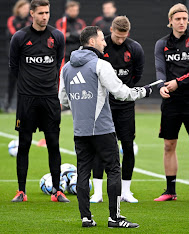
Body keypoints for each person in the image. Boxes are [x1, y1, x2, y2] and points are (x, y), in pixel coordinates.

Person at [59, 26, 151, 228]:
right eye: (102, 39)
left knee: (83, 171)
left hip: (80, 130)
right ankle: (114, 218)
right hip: (102, 128)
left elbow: (63, 99)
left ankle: (86, 218)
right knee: (113, 170)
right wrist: (145, 91)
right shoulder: (101, 65)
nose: (105, 42)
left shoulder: (66, 68)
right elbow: (121, 93)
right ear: (92, 42)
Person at [9, 0, 69, 203]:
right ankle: (21, 191)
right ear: (32, 14)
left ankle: (57, 191)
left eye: (47, 13)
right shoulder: (19, 37)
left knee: (53, 143)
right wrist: (29, 86)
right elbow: (14, 67)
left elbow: (58, 65)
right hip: (27, 100)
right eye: (41, 13)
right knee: (24, 144)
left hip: (50, 99)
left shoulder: (57, 36)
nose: (45, 17)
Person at [154, 3, 189, 202]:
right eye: (178, 19)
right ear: (170, 21)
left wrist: (179, 82)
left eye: (184, 18)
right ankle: (170, 191)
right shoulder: (162, 43)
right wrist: (161, 86)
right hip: (171, 101)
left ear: (188, 20)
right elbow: (160, 69)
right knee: (169, 145)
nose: (182, 22)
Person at [90, 16, 144, 204]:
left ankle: (126, 191)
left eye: (123, 37)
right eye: (117, 36)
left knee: (127, 146)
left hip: (126, 105)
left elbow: (136, 75)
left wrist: (123, 92)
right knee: (100, 147)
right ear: (111, 29)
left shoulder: (135, 48)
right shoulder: (100, 47)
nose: (120, 40)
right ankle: (97, 192)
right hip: (103, 105)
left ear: (127, 33)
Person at [4, 0, 32, 112]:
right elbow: (14, 35)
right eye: (24, 8)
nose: (26, 10)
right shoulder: (12, 20)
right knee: (12, 81)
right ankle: (7, 105)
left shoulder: (31, 21)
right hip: (14, 56)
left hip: (27, 56)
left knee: (27, 82)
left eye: (27, 8)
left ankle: (26, 106)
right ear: (18, 8)